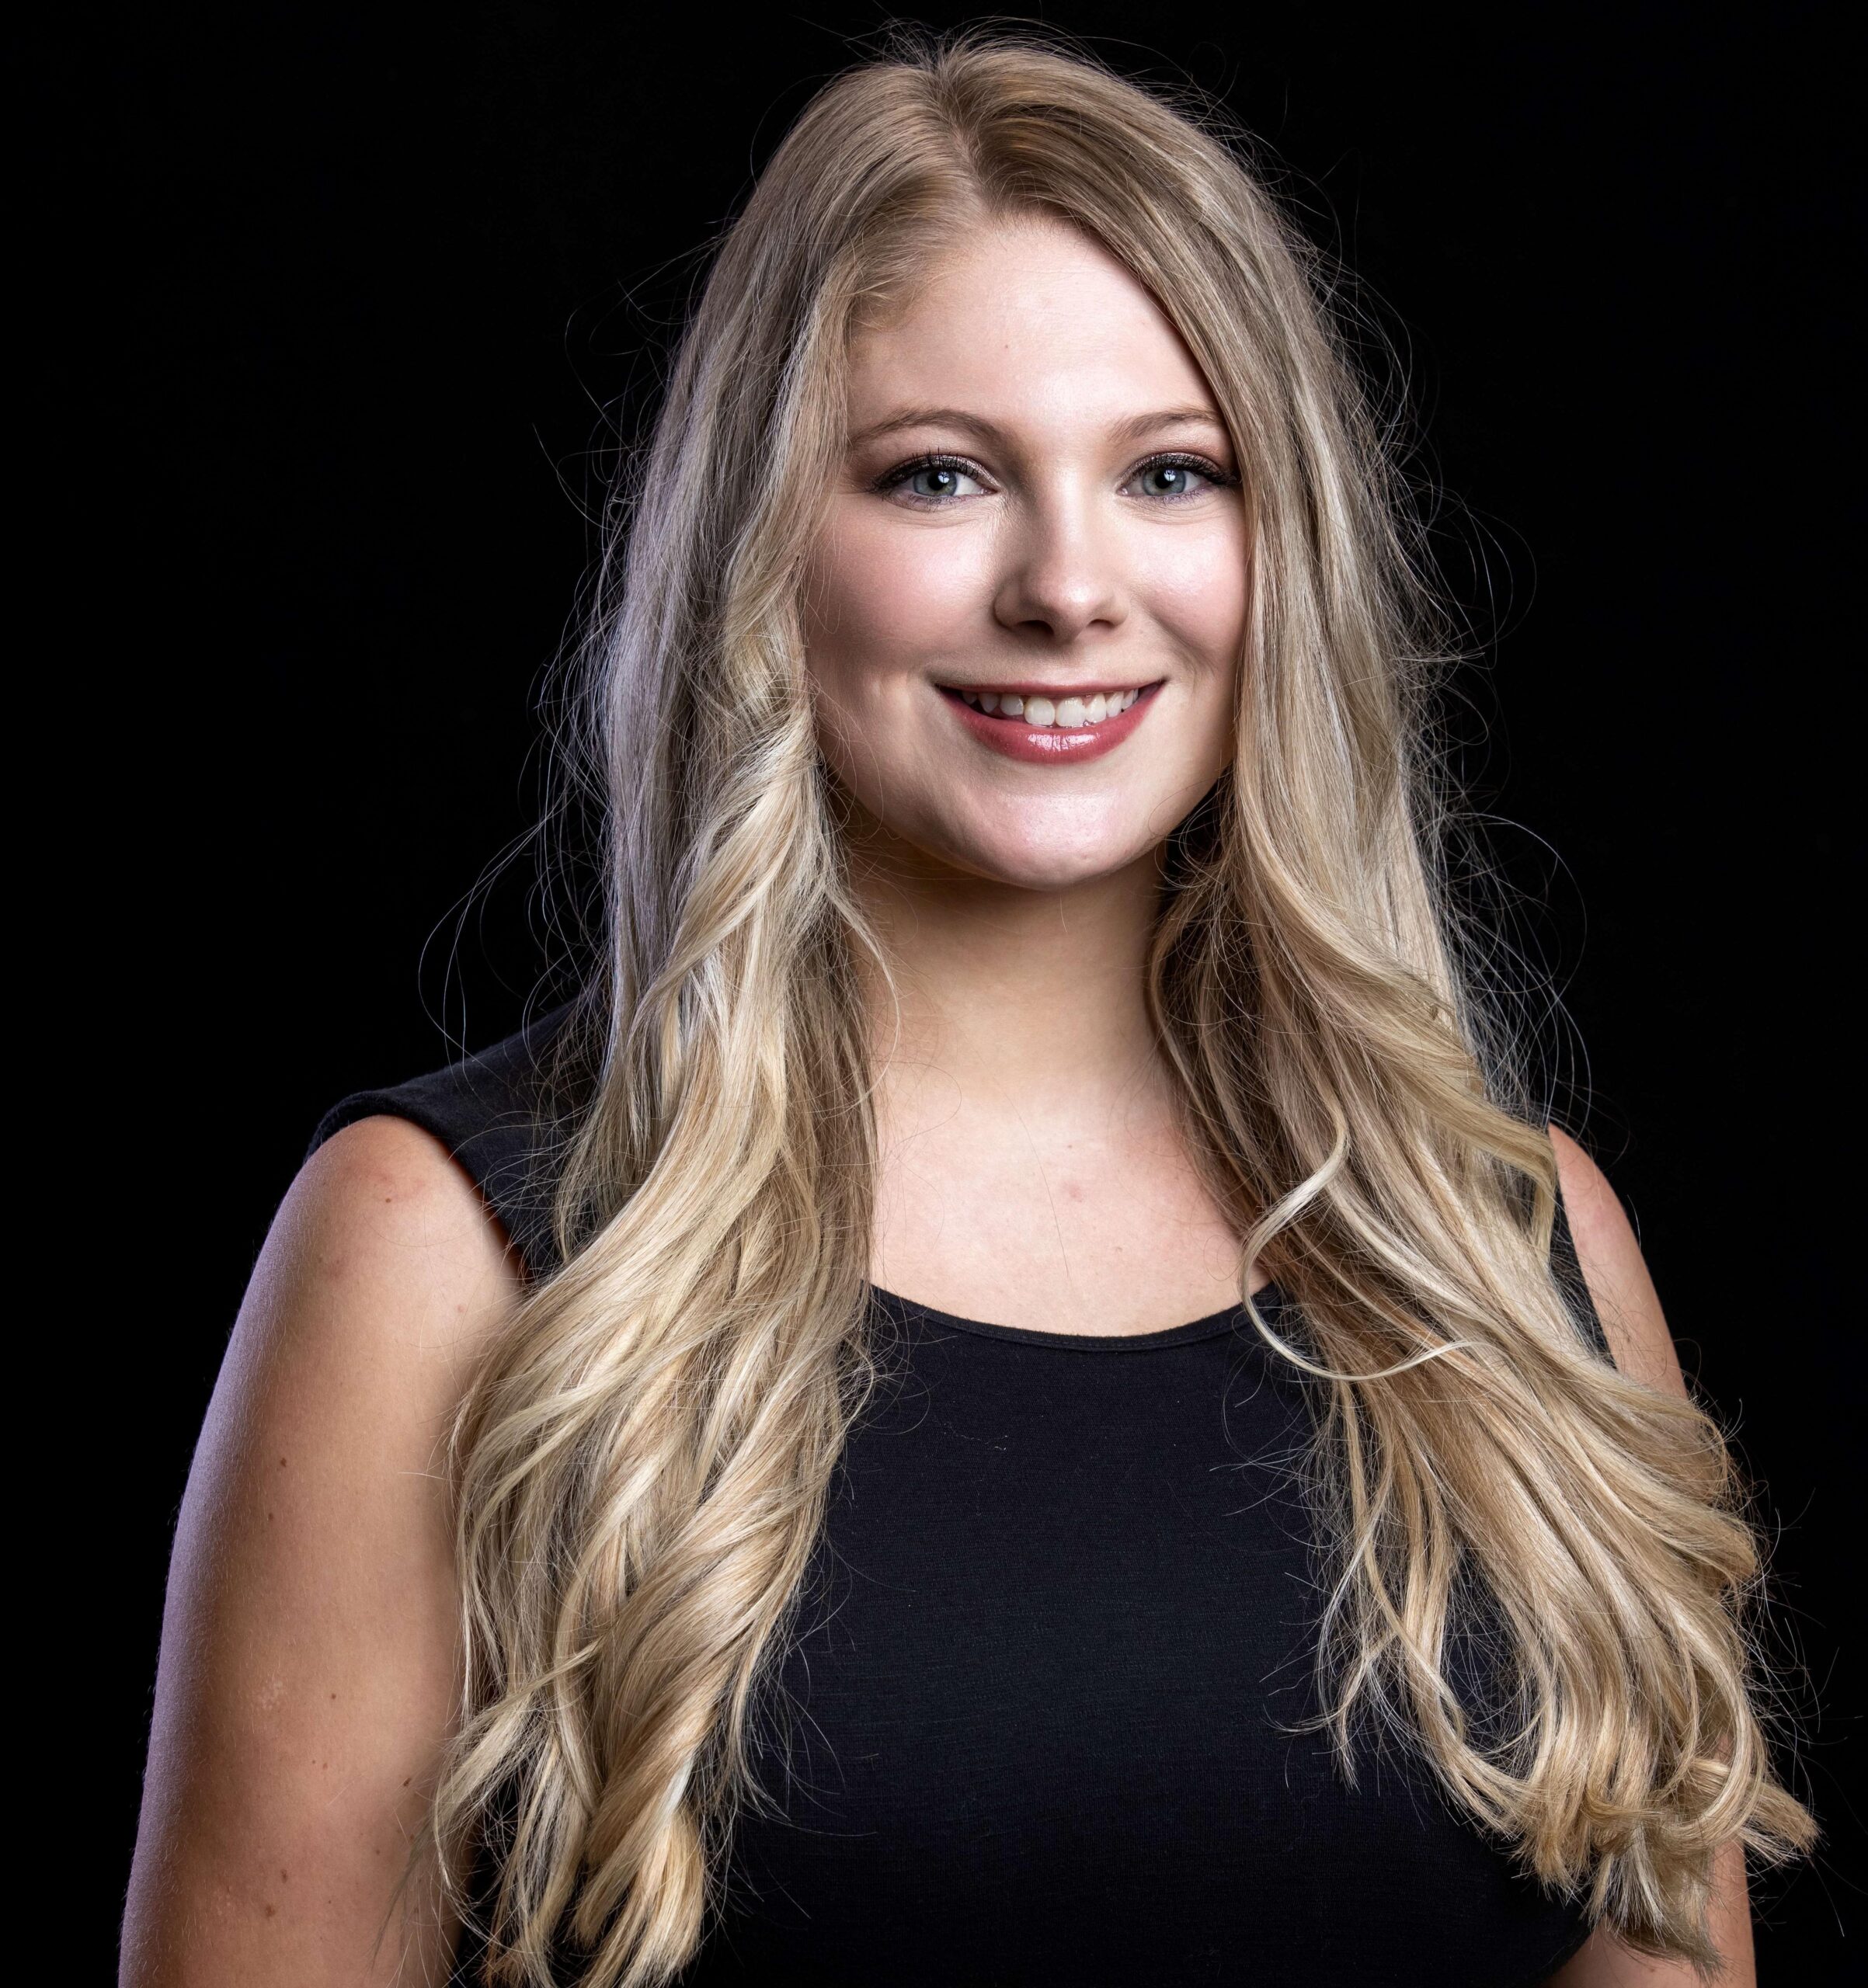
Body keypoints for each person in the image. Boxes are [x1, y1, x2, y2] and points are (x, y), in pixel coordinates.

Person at [120, 29, 1814, 1988]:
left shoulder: (1516, 1249)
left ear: (1287, 555)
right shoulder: (448, 1251)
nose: (1069, 584)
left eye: (1174, 473)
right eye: (940, 476)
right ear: (767, 550)